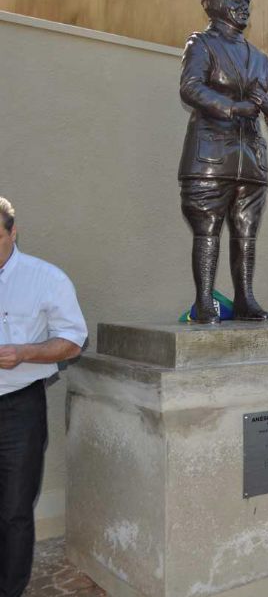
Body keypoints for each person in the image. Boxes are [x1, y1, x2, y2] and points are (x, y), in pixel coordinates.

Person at [179, 0, 268, 323]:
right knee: (207, 229)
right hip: (210, 157)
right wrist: (234, 108)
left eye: (247, 0)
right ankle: (205, 301)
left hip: (251, 161)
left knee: (246, 233)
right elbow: (190, 87)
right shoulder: (201, 44)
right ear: (213, 2)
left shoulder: (260, 59)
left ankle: (245, 299)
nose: (244, 5)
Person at [0, 196, 87, 596]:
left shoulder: (47, 279)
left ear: (13, 232)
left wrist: (25, 352)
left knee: (14, 509)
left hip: (18, 409)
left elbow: (73, 340)